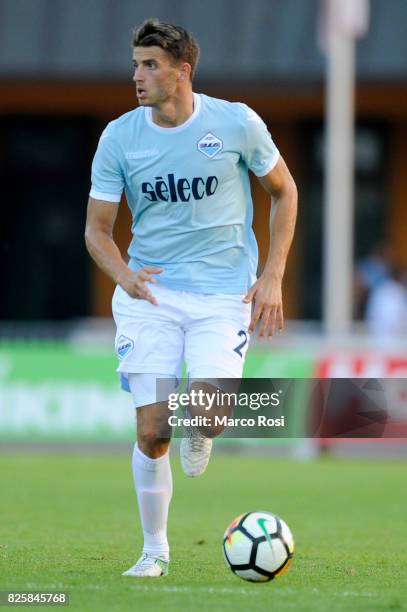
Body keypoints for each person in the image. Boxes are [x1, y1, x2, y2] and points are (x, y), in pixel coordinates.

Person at [85, 18, 297, 577]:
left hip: (224, 293)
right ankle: (154, 551)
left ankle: (202, 430)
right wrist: (124, 276)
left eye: (150, 65)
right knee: (153, 431)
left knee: (209, 413)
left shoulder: (236, 122)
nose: (138, 75)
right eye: (135, 63)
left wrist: (272, 274)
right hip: (150, 294)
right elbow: (97, 230)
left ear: (183, 71)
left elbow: (284, 191)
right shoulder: (119, 137)